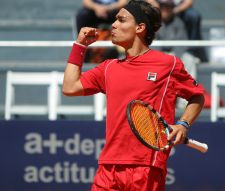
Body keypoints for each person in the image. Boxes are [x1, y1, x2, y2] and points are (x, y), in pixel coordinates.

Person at [63, 0, 205, 190]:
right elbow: (70, 87)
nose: (113, 25)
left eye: (121, 20)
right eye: (115, 20)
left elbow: (197, 96)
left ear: (140, 27)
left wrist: (183, 124)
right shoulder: (108, 67)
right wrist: (79, 46)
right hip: (108, 166)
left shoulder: (168, 64)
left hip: (146, 166)